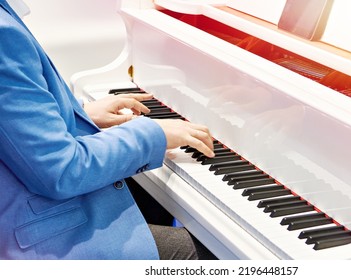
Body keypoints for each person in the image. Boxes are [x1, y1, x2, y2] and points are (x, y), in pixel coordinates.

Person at [0, 0, 217, 260]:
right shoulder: (4, 35)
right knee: (220, 255)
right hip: (36, 240)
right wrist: (152, 134)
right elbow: (62, 171)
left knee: (149, 200)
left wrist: (75, 116)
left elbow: (14, 125)